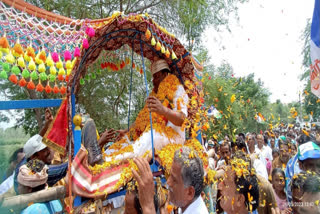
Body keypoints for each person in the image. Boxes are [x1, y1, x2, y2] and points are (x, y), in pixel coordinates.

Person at [101, 59, 189, 162]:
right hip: (154, 133)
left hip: (173, 138)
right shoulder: (154, 95)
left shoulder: (178, 90)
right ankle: (103, 157)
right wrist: (127, 131)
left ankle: (109, 161)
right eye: (153, 77)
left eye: (156, 77)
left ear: (165, 75)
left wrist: (164, 110)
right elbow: (141, 120)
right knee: (127, 139)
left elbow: (182, 119)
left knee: (152, 134)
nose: (153, 81)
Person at [131, 146, 208, 214]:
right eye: (170, 175)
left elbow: (148, 207)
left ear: (190, 192)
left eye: (174, 180)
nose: (168, 182)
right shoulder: (187, 205)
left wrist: (148, 206)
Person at [13, 109, 68, 194]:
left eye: (48, 148)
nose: (49, 151)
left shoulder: (28, 158)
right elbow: (63, 169)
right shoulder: (35, 171)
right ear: (34, 157)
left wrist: (47, 125)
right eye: (45, 150)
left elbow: (37, 141)